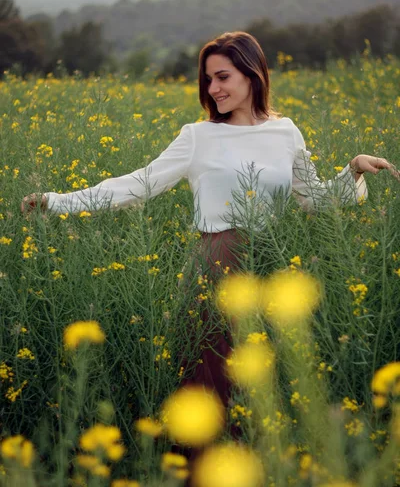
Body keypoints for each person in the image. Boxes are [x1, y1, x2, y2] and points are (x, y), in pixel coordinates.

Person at [21, 30, 397, 450]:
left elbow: (312, 199)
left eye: (222, 77)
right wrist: (57, 201)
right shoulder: (197, 136)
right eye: (207, 80)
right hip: (214, 267)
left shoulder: (286, 132)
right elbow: (137, 185)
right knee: (212, 385)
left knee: (265, 387)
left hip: (269, 269)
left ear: (252, 74)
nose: (213, 89)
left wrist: (354, 170)